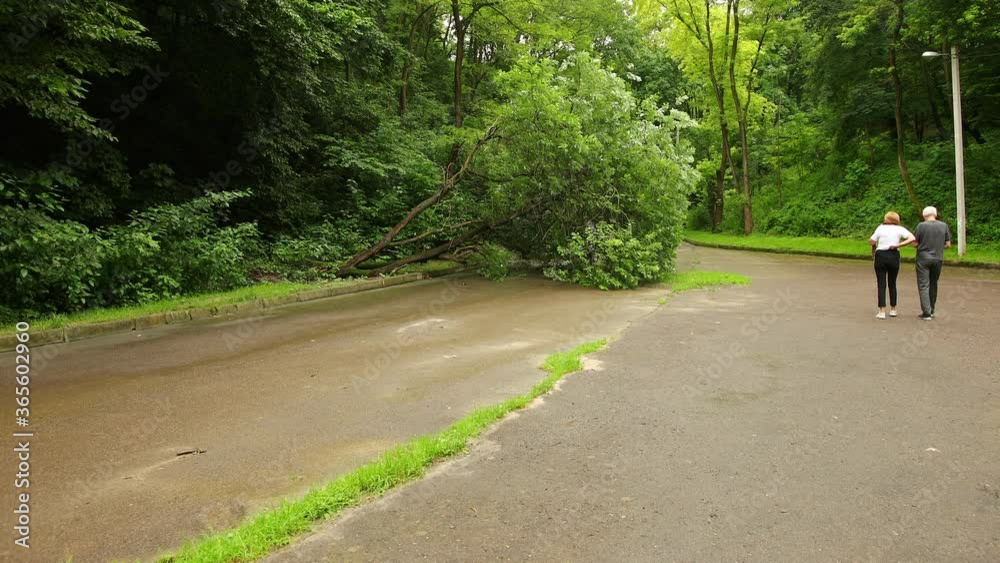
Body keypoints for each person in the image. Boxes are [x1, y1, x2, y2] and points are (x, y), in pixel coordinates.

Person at [892, 206, 952, 320]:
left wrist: (921, 246)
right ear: (935, 214)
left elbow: (914, 243)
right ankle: (932, 309)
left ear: (924, 215)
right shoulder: (944, 225)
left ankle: (926, 312)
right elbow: (948, 244)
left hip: (923, 258)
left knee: (924, 285)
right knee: (934, 283)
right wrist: (939, 247)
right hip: (938, 258)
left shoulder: (921, 226)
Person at [868, 211, 913, 319]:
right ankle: (893, 309)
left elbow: (872, 241)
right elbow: (912, 238)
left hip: (881, 255)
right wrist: (898, 244)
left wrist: (874, 246)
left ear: (886, 219)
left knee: (881, 283)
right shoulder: (900, 229)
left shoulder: (880, 228)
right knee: (892, 283)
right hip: (894, 255)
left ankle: (882, 310)